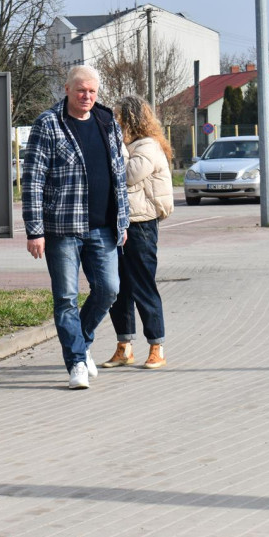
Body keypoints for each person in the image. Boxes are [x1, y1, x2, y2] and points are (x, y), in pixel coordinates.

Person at [22, 65, 129, 389]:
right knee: (66, 298)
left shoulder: (107, 122)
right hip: (62, 229)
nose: (87, 96)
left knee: (109, 289)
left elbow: (119, 176)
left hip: (103, 228)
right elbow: (32, 180)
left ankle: (80, 342)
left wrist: (122, 220)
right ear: (67, 88)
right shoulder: (49, 124)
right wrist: (35, 230)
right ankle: (77, 363)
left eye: (92, 91)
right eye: (81, 90)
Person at [101, 95, 174, 369]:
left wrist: (117, 147)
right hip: (118, 224)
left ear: (130, 119)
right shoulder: (131, 145)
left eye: (118, 117)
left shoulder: (148, 147)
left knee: (143, 286)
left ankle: (157, 346)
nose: (114, 122)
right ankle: (124, 346)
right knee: (117, 288)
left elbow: (127, 175)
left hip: (141, 225)